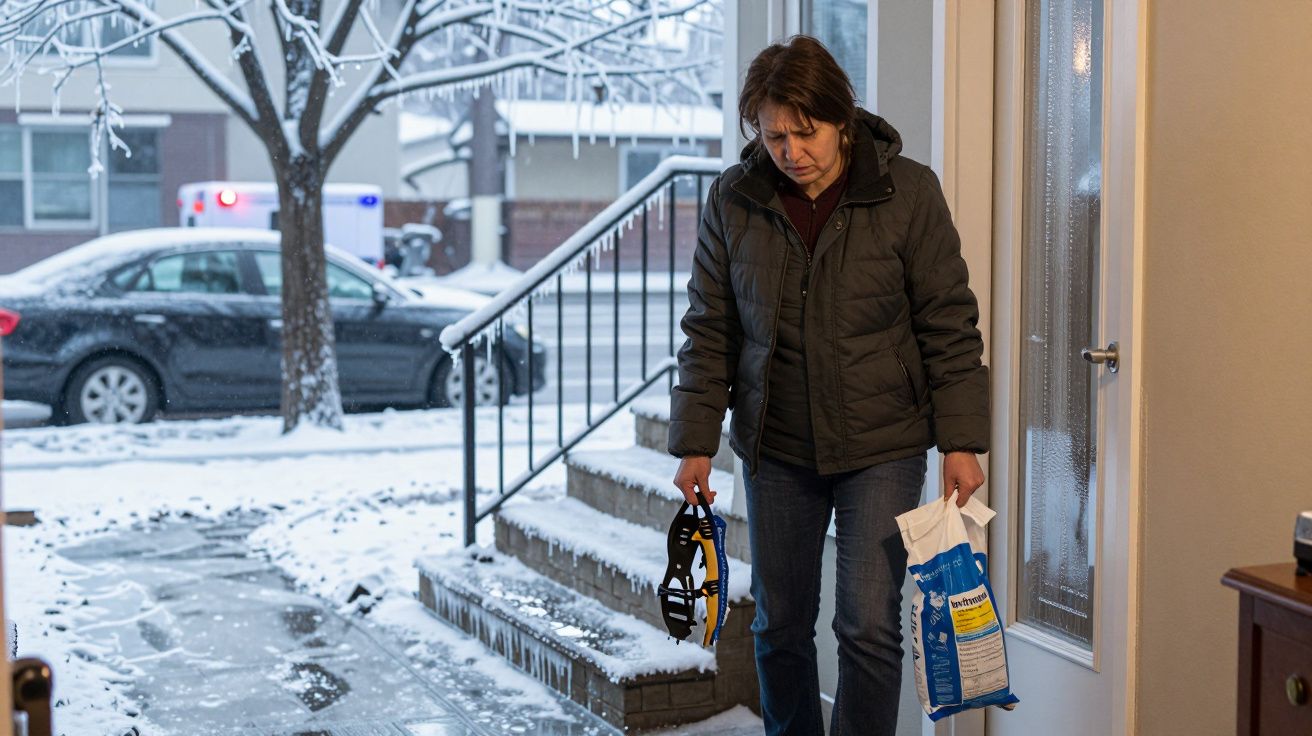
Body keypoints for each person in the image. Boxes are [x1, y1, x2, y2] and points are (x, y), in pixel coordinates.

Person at [667, 35, 989, 736]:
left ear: (842, 119)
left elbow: (948, 323)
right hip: (775, 443)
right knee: (780, 623)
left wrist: (962, 440)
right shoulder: (736, 198)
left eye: (804, 132)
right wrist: (694, 442)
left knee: (868, 624)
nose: (790, 150)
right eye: (774, 134)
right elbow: (710, 329)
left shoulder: (909, 194)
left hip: (882, 443)